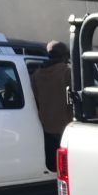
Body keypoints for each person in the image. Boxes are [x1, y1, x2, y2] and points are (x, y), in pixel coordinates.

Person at [30, 40, 73, 172]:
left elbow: (36, 98)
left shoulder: (36, 75)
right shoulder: (67, 72)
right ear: (65, 56)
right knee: (68, 168)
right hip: (68, 127)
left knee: (55, 165)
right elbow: (77, 97)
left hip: (46, 127)